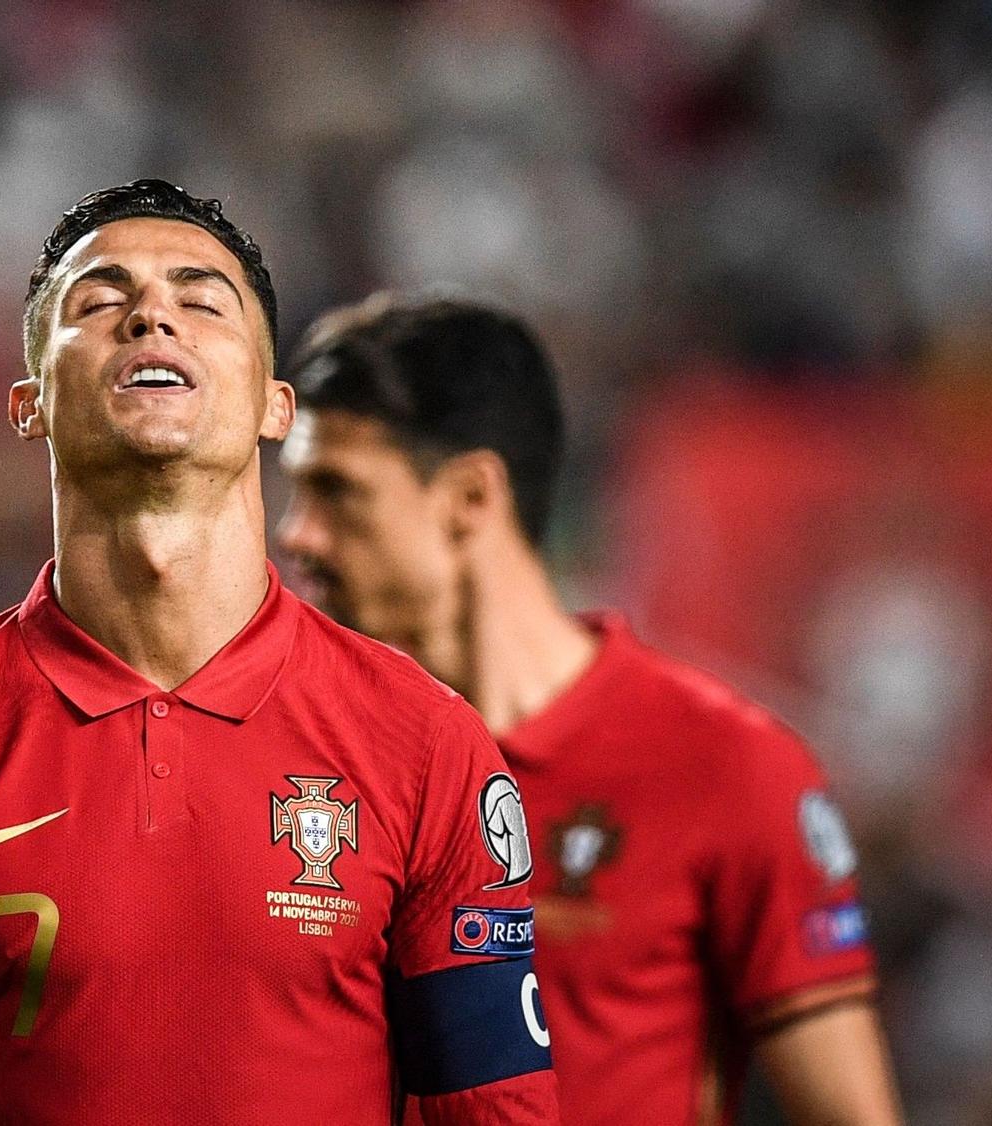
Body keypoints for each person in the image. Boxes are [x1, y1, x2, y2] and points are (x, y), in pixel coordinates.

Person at [0, 180, 558, 1124]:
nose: (151, 317)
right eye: (100, 300)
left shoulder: (425, 744)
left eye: (202, 299)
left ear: (275, 405)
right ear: (28, 404)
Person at [276, 294, 904, 1126]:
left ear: (469, 499)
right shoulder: (303, 762)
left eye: (337, 491)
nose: (297, 535)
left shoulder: (724, 766)